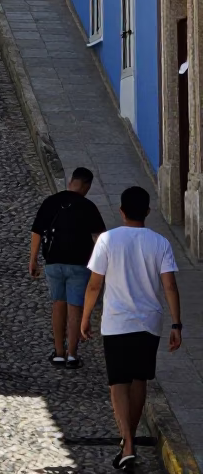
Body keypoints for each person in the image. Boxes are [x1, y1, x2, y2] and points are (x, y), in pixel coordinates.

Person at [81, 186, 181, 469]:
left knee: (118, 383)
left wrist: (86, 317)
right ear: (148, 212)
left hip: (116, 323)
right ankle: (129, 439)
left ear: (121, 211)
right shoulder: (160, 242)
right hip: (149, 323)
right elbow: (170, 286)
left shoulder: (108, 240)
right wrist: (177, 324)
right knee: (139, 381)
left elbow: (94, 285)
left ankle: (127, 441)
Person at [30, 167, 106, 370]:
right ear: (87, 186)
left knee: (58, 305)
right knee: (75, 308)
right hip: (79, 265)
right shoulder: (89, 206)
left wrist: (33, 260)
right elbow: (99, 238)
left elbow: (37, 231)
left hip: (53, 263)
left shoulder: (51, 202)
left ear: (71, 180)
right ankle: (72, 355)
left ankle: (58, 353)